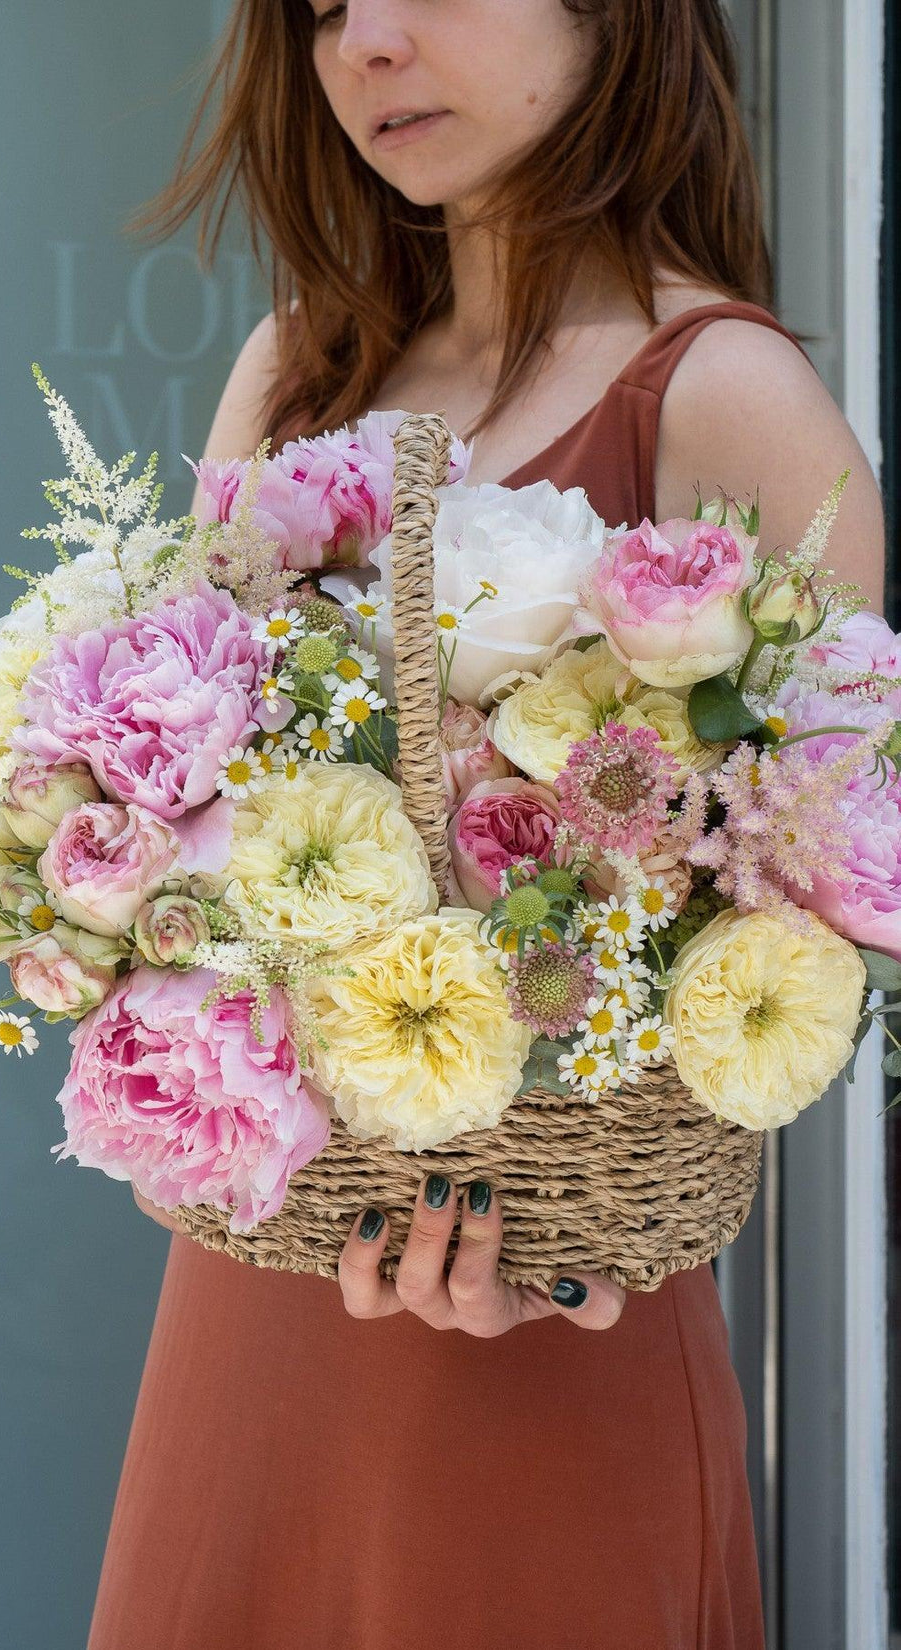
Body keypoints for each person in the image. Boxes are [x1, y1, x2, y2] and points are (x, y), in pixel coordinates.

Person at [87, 2, 885, 1646]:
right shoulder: (300, 360)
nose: (362, 40)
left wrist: (583, 1212)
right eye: (318, 8)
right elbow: (160, 811)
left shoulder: (727, 394)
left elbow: (804, 944)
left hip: (546, 1354)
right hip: (256, 1309)